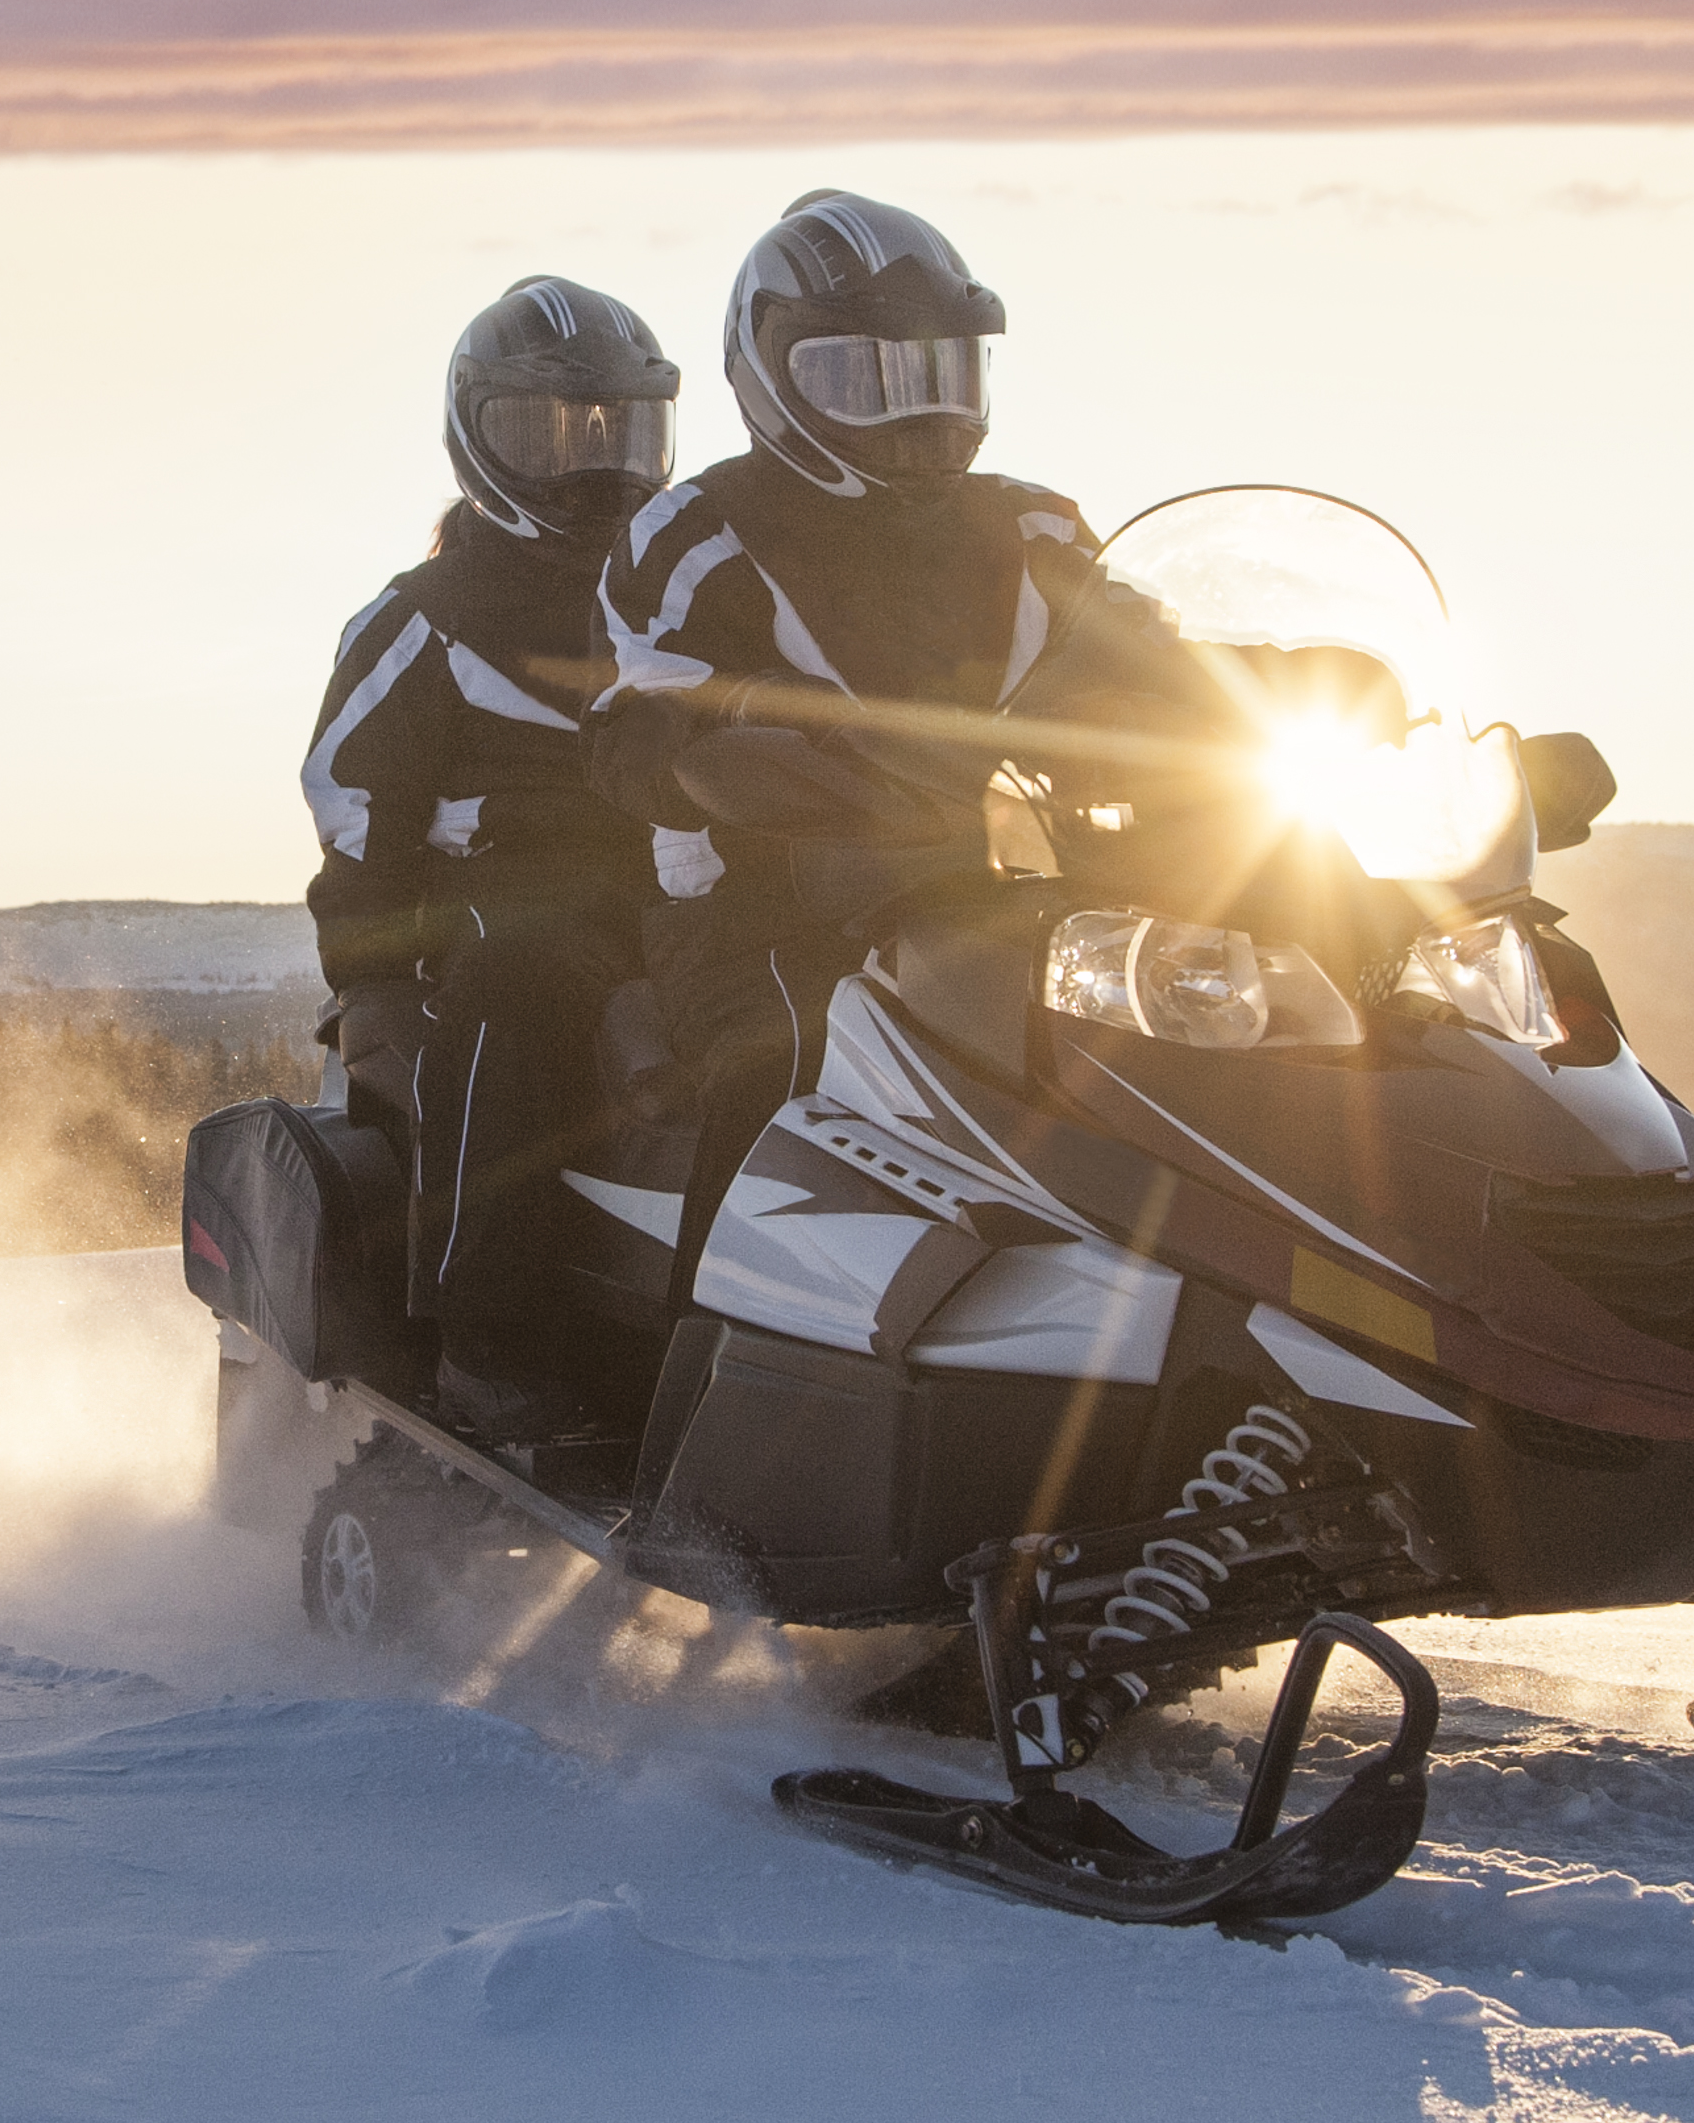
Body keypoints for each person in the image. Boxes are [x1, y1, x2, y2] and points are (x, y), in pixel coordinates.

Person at [590, 190, 1169, 1307]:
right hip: (773, 907)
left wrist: (1307, 682)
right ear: (769, 378)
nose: (919, 411)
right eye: (864, 377)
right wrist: (724, 744)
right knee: (781, 1066)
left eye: (943, 370)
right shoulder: (693, 536)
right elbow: (638, 714)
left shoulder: (1034, 524)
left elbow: (1150, 649)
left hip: (1030, 886)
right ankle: (701, 1358)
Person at [302, 278, 682, 1434]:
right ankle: (485, 1334)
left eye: (619, 431)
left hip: (668, 892)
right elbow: (353, 801)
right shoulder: (427, 613)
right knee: (517, 980)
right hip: (486, 907)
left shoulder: (674, 599)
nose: (592, 465)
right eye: (551, 432)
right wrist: (371, 976)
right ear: (478, 434)